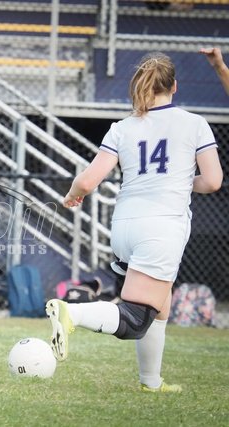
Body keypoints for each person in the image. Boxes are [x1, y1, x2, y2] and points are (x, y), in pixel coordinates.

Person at [46, 52, 223, 392]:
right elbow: (213, 181)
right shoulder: (194, 123)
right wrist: (182, 181)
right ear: (174, 86)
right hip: (161, 227)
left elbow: (87, 180)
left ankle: (151, 381)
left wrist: (72, 195)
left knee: (161, 305)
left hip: (125, 227)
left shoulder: (122, 127)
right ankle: (72, 313)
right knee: (136, 319)